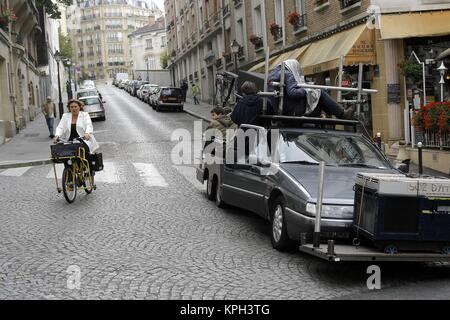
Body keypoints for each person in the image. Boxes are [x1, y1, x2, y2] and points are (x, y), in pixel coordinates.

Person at [268, 59, 354, 119]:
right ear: (293, 67)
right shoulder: (288, 73)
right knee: (319, 92)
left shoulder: (272, 74)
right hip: (291, 110)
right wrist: (306, 89)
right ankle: (342, 114)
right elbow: (293, 93)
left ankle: (332, 113)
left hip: (282, 109)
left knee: (315, 97)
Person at [53, 99, 100, 175]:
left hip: (82, 139)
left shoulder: (84, 115)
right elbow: (60, 127)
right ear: (69, 108)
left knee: (86, 153)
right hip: (69, 140)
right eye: (71, 107)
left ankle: (90, 171)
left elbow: (89, 125)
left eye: (75, 106)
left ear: (79, 107)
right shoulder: (65, 116)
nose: (74, 108)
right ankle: (69, 173)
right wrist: (57, 135)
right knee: (65, 156)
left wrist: (87, 133)